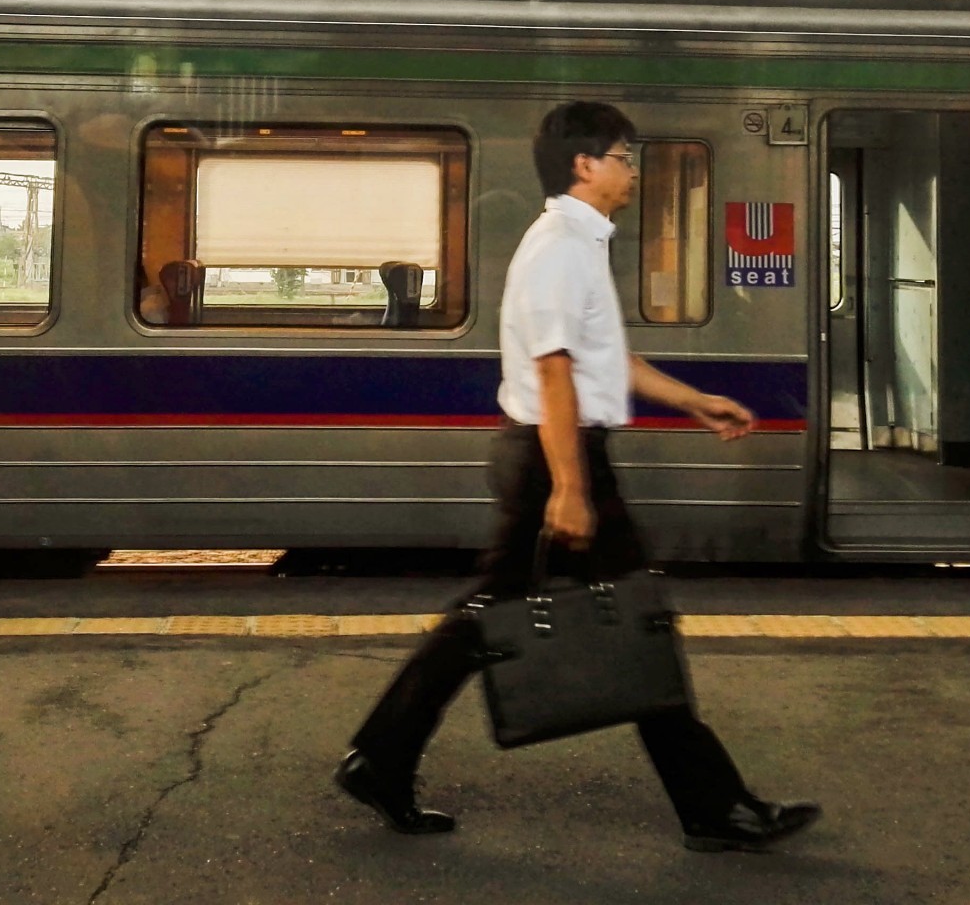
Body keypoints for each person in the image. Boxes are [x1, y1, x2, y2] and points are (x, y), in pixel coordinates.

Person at [337, 101, 821, 854]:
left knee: (518, 616)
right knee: (633, 621)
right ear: (584, 165)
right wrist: (569, 486)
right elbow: (553, 371)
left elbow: (604, 359)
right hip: (553, 455)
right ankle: (714, 806)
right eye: (625, 157)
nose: (634, 170)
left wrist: (693, 400)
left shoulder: (580, 243)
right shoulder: (561, 245)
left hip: (553, 452)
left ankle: (383, 758)